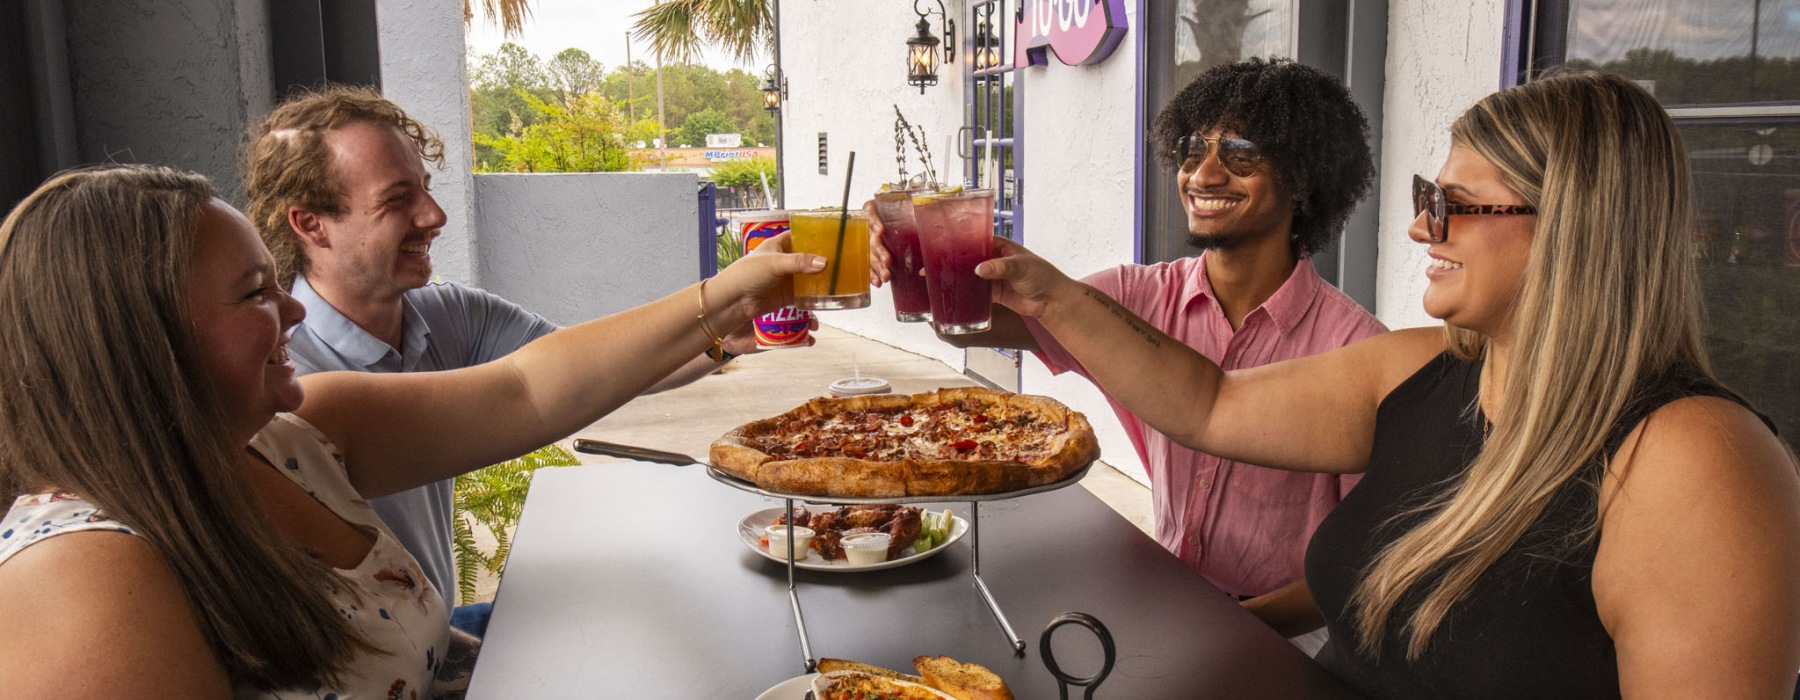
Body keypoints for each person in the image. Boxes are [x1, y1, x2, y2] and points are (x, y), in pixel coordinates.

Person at [972, 70, 1800, 697]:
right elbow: (1209, 403)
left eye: (1452, 204)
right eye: (1422, 197)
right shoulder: (1421, 369)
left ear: (1573, 225)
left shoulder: (1698, 461)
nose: (1417, 227)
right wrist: (1048, 291)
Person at [0, 164, 820, 697]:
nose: (291, 308)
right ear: (142, 341)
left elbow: (526, 389)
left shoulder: (295, 433)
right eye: (255, 293)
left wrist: (732, 294)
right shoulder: (82, 580)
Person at [871, 58, 1384, 646]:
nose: (1205, 174)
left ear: (1302, 177)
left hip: (1289, 638)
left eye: (1240, 153)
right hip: (1165, 603)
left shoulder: (1357, 349)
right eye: (1193, 151)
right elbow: (970, 324)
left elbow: (1364, 562)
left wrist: (1239, 630)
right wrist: (908, 239)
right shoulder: (1131, 299)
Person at [242, 86, 780, 633]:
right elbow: (532, 391)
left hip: (434, 632)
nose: (434, 214)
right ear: (310, 224)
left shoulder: (448, 313)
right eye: (397, 198)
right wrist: (725, 296)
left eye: (425, 189)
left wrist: (724, 337)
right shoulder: (287, 387)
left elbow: (590, 373)